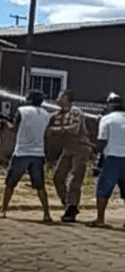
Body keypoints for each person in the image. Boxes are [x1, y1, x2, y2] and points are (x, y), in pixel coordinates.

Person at [0, 89, 52, 222]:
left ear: (29, 99)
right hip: (38, 154)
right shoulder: (45, 114)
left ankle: (3, 210)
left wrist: (4, 123)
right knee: (40, 186)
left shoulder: (22, 110)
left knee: (10, 184)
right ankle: (47, 214)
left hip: (22, 153)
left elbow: (13, 129)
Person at [46, 90, 93, 223]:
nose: (56, 99)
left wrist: (54, 130)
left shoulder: (75, 111)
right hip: (67, 150)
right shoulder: (56, 115)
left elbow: (74, 129)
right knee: (58, 177)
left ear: (66, 98)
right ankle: (68, 203)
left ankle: (71, 208)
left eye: (59, 96)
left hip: (80, 148)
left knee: (75, 179)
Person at [89, 93, 125, 228]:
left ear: (110, 105)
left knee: (103, 189)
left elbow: (102, 141)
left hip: (112, 158)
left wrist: (97, 154)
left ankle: (100, 219)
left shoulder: (106, 119)